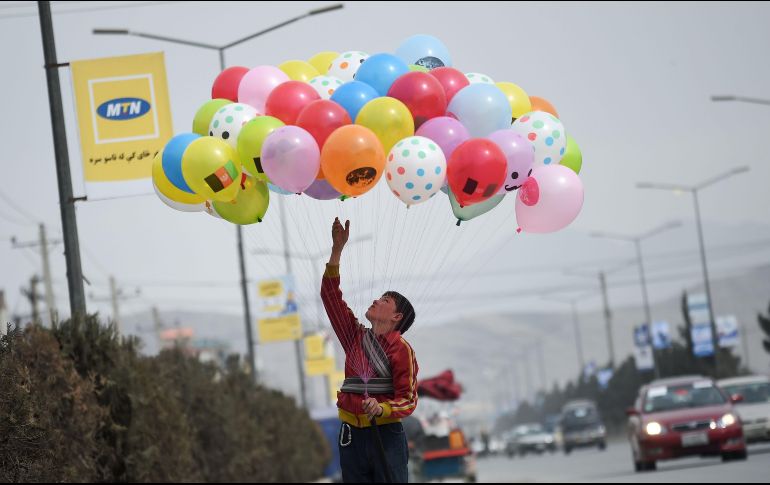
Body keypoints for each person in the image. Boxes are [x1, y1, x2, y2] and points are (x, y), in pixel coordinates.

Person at [321, 217, 418, 483]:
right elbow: (330, 298)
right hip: (351, 435)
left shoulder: (402, 351)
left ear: (397, 318)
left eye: (385, 300)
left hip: (385, 436)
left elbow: (408, 399)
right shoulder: (354, 336)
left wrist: (382, 408)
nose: (376, 299)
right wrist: (337, 250)